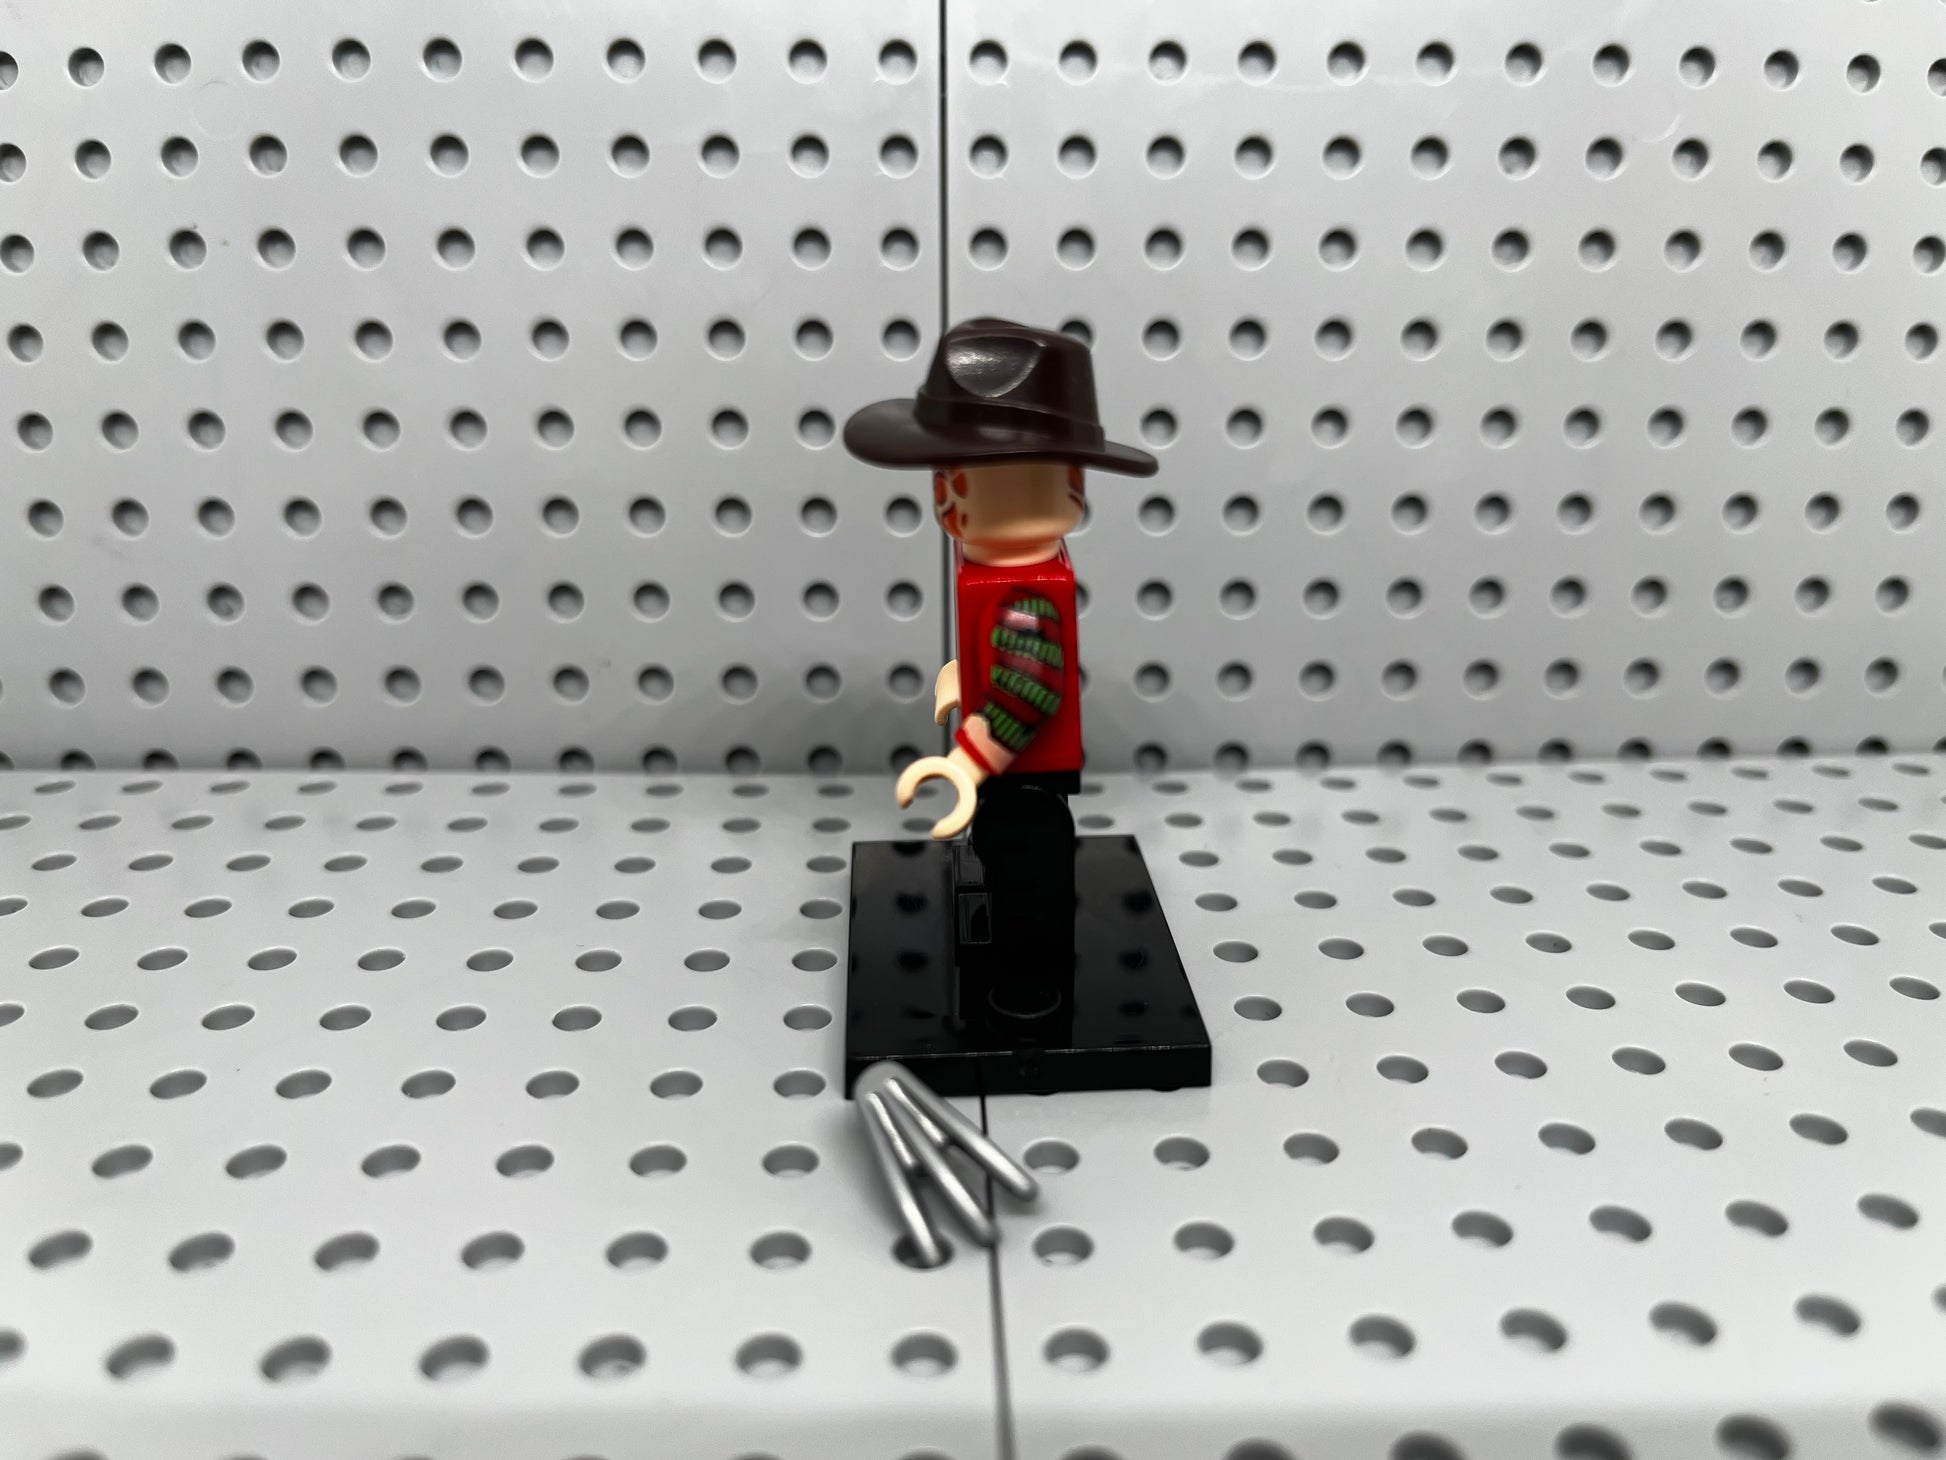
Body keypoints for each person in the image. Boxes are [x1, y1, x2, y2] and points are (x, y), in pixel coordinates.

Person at [844, 318, 1158, 999]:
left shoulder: (1024, 594)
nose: (946, 493)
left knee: (1024, 870)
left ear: (1070, 486)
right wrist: (966, 676)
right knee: (1004, 859)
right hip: (1013, 771)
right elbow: (1006, 668)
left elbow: (1029, 691)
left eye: (965, 475)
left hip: (1025, 779)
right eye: (944, 474)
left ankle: (1026, 996)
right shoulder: (997, 576)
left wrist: (965, 764)